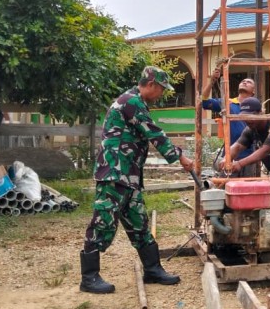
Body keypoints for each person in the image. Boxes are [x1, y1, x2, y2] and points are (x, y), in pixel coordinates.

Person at [79, 66, 195, 294]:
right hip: (114, 172)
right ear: (151, 84)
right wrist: (180, 156)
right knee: (103, 222)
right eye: (161, 89)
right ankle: (89, 278)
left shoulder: (135, 101)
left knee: (138, 221)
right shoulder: (131, 102)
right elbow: (154, 133)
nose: (162, 94)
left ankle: (152, 269)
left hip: (128, 174)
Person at [200, 69, 257, 173]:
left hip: (249, 156)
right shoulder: (227, 103)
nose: (245, 82)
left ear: (253, 91)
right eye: (243, 81)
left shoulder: (256, 107)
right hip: (229, 154)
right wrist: (212, 81)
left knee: (247, 186)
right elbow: (204, 102)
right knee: (228, 185)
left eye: (249, 82)